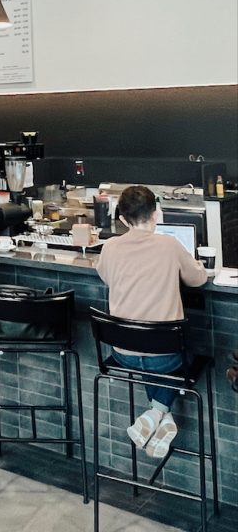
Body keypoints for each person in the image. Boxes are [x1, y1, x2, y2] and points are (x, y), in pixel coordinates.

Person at [96, 185, 207, 458]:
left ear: (122, 219)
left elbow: (107, 277)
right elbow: (198, 279)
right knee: (183, 350)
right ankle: (158, 412)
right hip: (166, 357)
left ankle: (158, 418)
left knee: (147, 341)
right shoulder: (169, 244)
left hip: (122, 354)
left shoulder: (110, 246)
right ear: (156, 214)